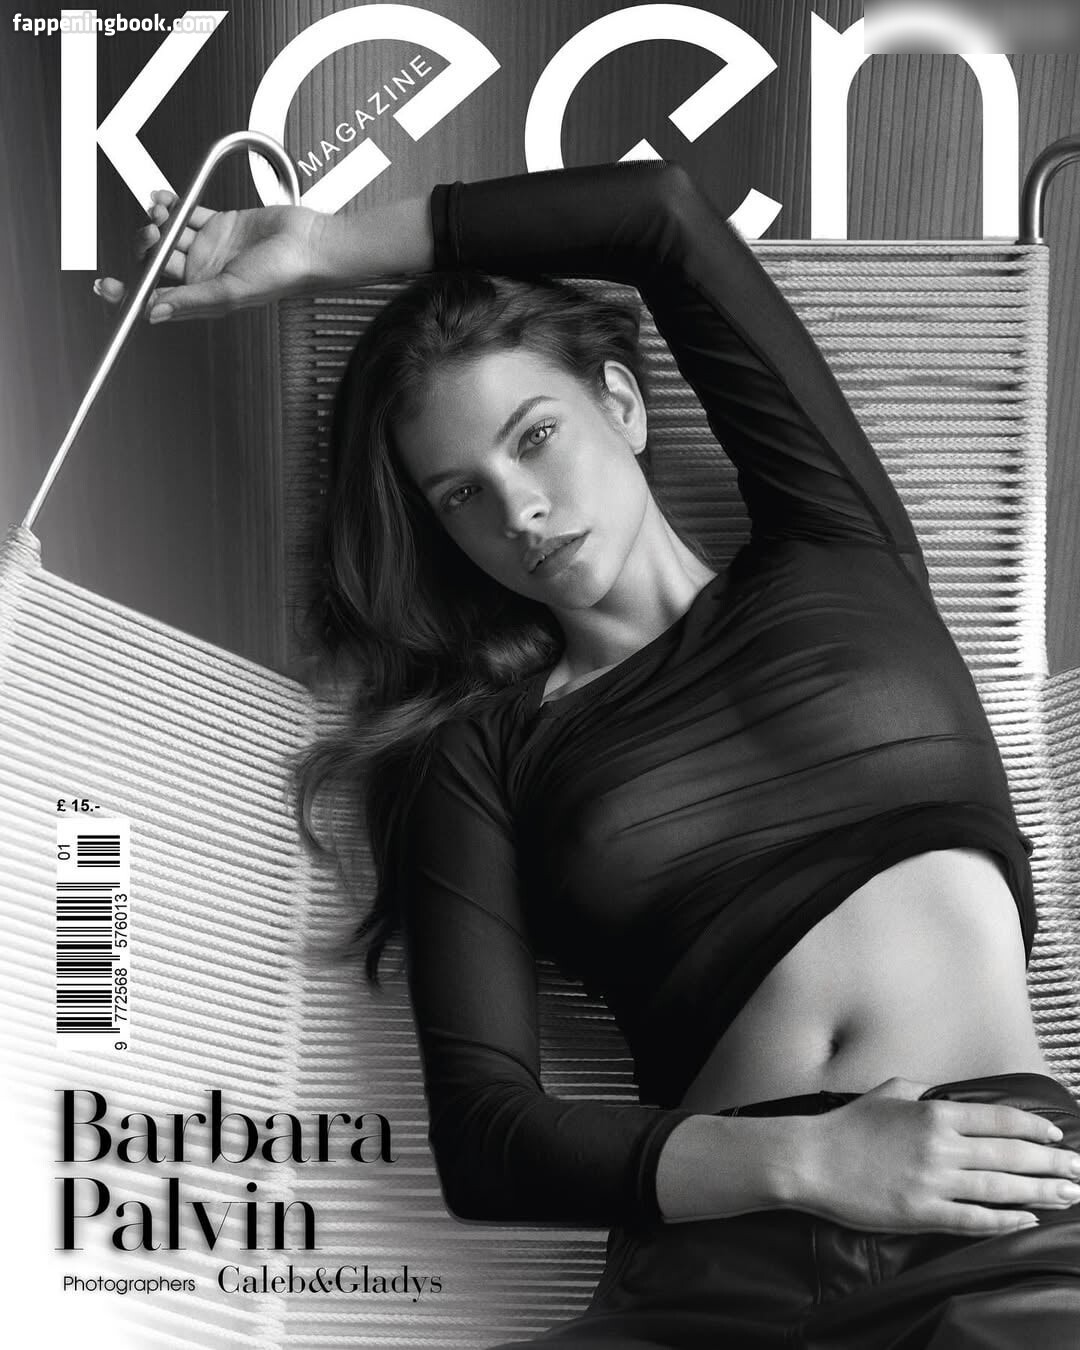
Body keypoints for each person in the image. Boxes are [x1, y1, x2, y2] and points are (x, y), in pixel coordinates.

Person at [96, 160, 1080, 1347]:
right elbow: (486, 1140)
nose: (517, 510)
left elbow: (658, 218)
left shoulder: (838, 546)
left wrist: (326, 249)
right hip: (711, 1274)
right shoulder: (472, 753)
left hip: (994, 1209)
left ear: (621, 402)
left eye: (536, 437)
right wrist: (811, 1160)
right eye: (460, 495)